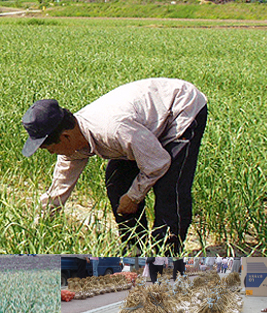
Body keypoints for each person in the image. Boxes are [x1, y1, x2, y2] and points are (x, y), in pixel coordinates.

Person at [22, 78, 208, 255]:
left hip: (180, 108)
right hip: (141, 127)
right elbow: (58, 190)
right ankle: (135, 250)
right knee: (117, 181)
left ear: (66, 137)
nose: (52, 154)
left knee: (170, 188)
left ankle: (166, 258)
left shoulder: (113, 129)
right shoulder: (72, 145)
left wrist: (134, 197)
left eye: (50, 149)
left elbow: (158, 163)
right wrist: (37, 231)